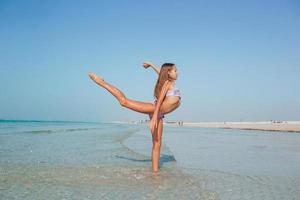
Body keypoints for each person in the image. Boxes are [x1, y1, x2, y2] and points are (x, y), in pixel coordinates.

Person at [88, 61, 181, 172]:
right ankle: (101, 82)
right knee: (124, 102)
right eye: (175, 70)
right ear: (169, 73)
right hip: (154, 108)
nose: (177, 72)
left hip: (159, 113)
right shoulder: (167, 83)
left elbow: (160, 74)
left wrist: (151, 65)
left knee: (157, 144)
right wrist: (154, 117)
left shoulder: (169, 82)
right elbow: (160, 99)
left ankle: (155, 172)